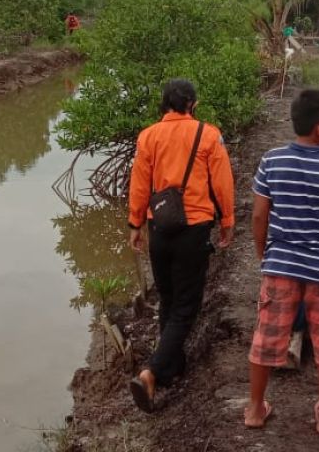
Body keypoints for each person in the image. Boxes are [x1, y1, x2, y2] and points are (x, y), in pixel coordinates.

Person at [245, 89, 319, 435]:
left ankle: (256, 408)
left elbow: (260, 215)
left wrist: (266, 255)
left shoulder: (271, 161)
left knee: (265, 338)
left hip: (281, 265)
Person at [127, 78, 236, 412]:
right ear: (193, 104)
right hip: (194, 228)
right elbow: (222, 182)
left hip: (159, 226)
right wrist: (228, 221)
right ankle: (153, 371)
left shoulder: (148, 136)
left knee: (169, 300)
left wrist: (135, 224)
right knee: (186, 307)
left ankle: (173, 369)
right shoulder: (208, 134)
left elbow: (139, 183)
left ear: (165, 104)